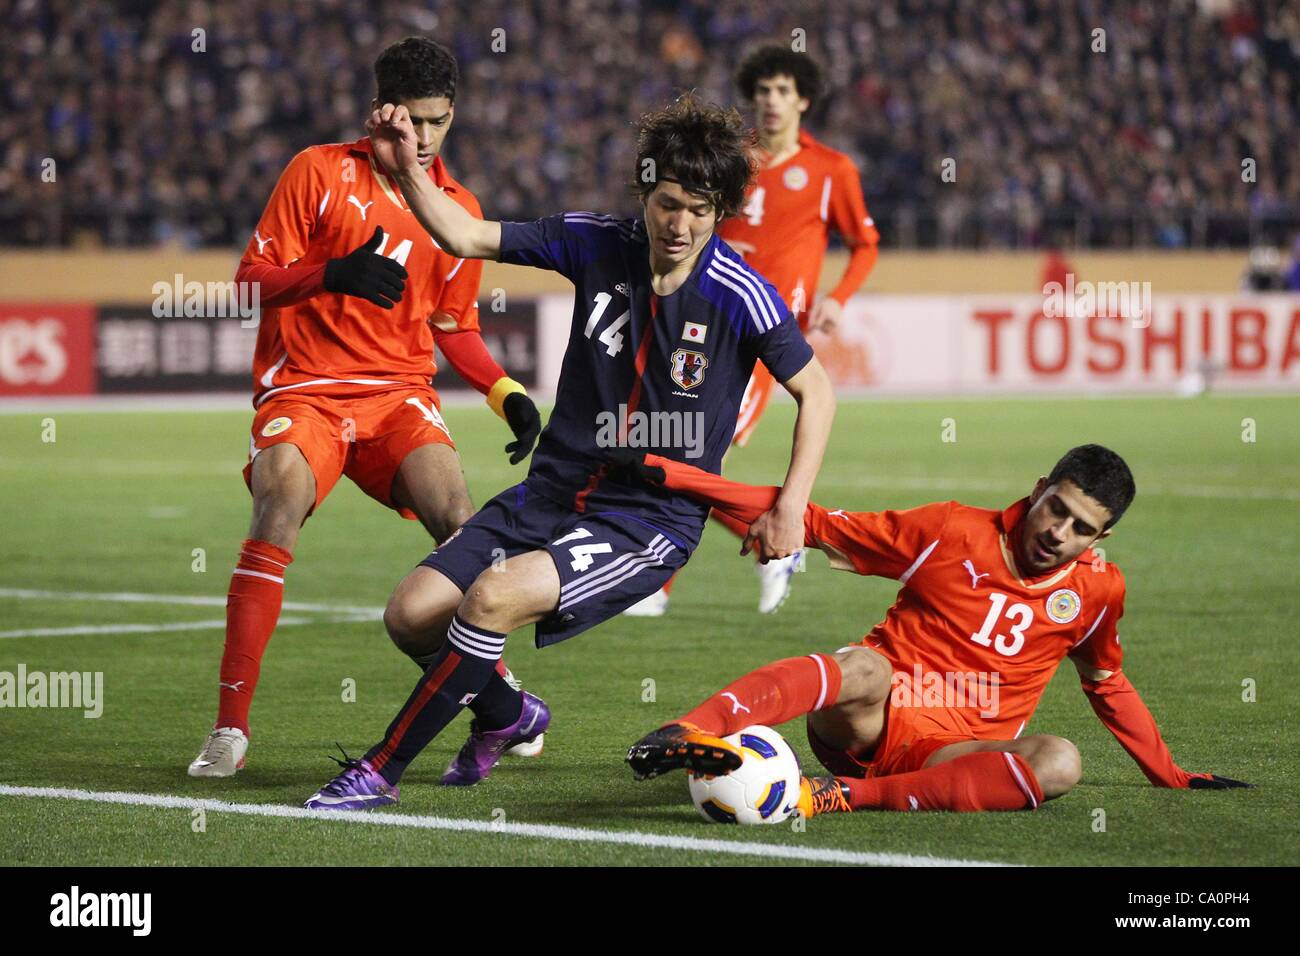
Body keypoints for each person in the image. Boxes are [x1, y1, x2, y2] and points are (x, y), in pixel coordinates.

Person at [302, 92, 836, 809]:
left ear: (721, 212)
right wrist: (407, 172)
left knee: (489, 598)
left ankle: (377, 773)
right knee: (412, 614)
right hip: (550, 493)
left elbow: (818, 392)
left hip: (646, 520)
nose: (679, 225)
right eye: (668, 203)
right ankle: (507, 714)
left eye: (700, 210)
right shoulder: (594, 241)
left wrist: (790, 506)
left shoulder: (742, 294)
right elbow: (463, 235)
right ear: (646, 190)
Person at [188, 37, 542, 778]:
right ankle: (229, 728)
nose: (424, 136)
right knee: (277, 501)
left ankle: (500, 699)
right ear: (381, 111)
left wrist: (506, 395)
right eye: (410, 120)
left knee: (464, 523)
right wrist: (329, 274)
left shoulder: (459, 210)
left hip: (399, 397)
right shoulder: (316, 172)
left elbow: (455, 328)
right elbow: (250, 280)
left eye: (438, 121)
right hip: (305, 391)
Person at [622, 445, 1252, 814]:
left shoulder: (1097, 592)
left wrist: (1170, 774)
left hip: (957, 755)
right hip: (871, 721)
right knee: (864, 665)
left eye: (1080, 527)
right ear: (1037, 492)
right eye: (1055, 509)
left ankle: (835, 797)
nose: (1058, 532)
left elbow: (1107, 683)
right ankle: (694, 727)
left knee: (1061, 762)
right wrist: (669, 473)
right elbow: (812, 522)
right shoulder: (952, 531)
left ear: (1100, 538)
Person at [626, 44, 879, 618]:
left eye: (782, 90)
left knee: (686, 443)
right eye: (762, 90)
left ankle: (657, 580)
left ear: (804, 100)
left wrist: (837, 298)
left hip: (763, 332)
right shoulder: (730, 162)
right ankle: (776, 543)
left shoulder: (830, 171)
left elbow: (865, 243)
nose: (770, 100)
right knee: (673, 444)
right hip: (699, 317)